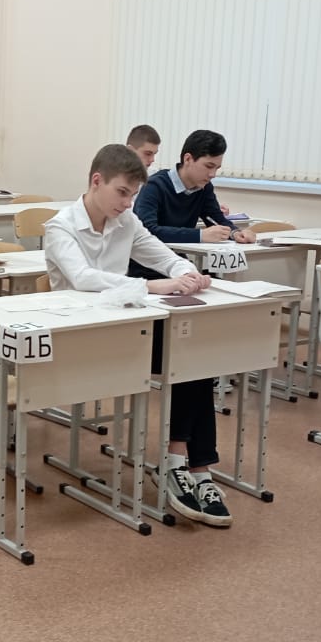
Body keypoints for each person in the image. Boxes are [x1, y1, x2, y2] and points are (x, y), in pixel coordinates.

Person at [45, 144, 232, 527]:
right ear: (96, 181)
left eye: (132, 194)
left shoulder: (125, 222)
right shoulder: (60, 226)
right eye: (121, 192)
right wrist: (151, 285)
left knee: (193, 354)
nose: (128, 203)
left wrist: (188, 273)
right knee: (185, 356)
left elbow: (161, 255)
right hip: (78, 340)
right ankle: (180, 465)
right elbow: (83, 278)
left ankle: (191, 467)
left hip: (126, 331)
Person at [131, 129, 254, 275]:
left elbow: (216, 219)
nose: (213, 174)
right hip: (145, 268)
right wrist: (199, 235)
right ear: (188, 159)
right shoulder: (155, 185)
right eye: (208, 166)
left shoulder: (204, 187)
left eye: (217, 168)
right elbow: (148, 231)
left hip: (178, 265)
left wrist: (235, 232)